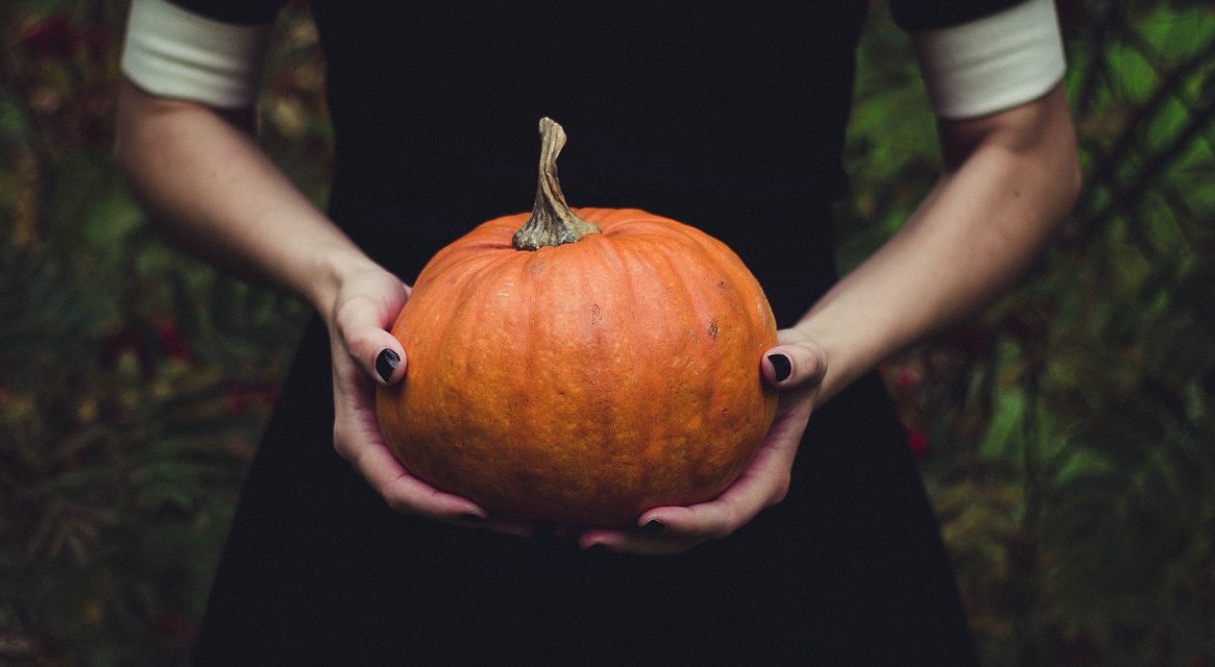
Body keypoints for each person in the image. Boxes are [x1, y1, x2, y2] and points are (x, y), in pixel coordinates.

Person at [115, 0, 1080, 663]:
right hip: (398, 414)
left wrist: (823, 353)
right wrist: (338, 284)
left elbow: (1024, 146)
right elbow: (168, 110)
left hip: (775, 434)